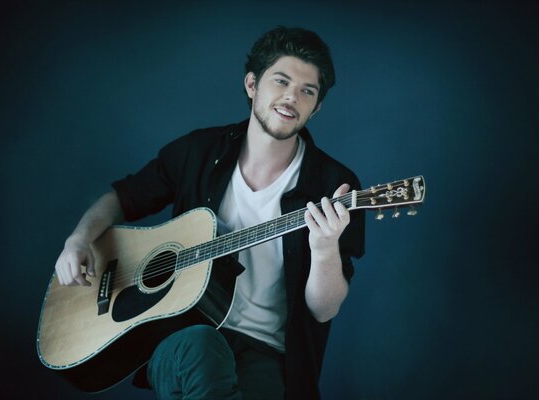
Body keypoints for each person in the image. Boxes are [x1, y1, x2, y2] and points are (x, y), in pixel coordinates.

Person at [54, 26, 365, 400]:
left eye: (307, 91)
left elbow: (324, 309)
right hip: (181, 339)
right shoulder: (199, 151)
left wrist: (325, 247)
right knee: (201, 346)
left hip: (266, 353)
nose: (290, 97)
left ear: (316, 108)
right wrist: (78, 240)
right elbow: (122, 197)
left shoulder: (335, 186)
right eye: (280, 81)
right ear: (252, 84)